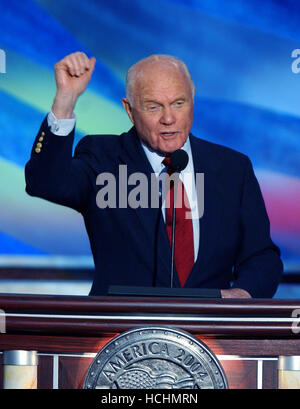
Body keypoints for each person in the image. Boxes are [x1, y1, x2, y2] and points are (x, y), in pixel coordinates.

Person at [25, 52, 283, 298]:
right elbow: (46, 182)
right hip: (123, 330)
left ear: (192, 98)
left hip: (210, 333)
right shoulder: (102, 159)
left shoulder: (232, 168)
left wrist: (243, 293)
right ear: (130, 110)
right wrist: (65, 99)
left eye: (178, 103)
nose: (168, 118)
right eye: (153, 107)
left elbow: (261, 256)